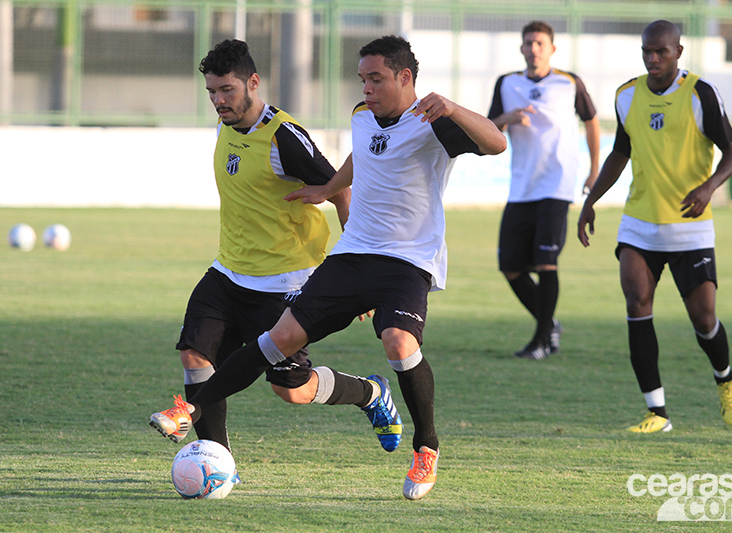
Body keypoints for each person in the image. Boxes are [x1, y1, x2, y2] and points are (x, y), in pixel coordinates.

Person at [151, 35, 506, 500]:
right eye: (362, 79)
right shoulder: (363, 117)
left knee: (399, 344)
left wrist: (455, 108)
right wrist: (330, 187)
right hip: (352, 253)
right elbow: (367, 155)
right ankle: (191, 409)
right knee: (276, 342)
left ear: (405, 77)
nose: (366, 88)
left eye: (375, 79)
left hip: (405, 260)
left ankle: (426, 448)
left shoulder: (434, 121)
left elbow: (497, 143)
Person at [150, 39, 405, 456]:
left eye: (227, 90)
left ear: (253, 82)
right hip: (228, 273)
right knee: (195, 356)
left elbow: (342, 193)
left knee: (293, 390)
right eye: (212, 92)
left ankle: (369, 393)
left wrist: (358, 271)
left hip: (284, 283)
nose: (218, 101)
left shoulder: (283, 138)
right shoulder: (225, 124)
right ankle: (216, 461)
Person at [577, 20, 732, 432]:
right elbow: (620, 153)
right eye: (647, 52)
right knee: (637, 303)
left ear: (678, 53)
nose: (653, 59)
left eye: (661, 52)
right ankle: (657, 412)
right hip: (640, 224)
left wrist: (709, 187)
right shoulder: (627, 96)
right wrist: (591, 201)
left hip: (690, 227)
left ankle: (724, 378)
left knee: (704, 319)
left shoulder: (701, 93)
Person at [488, 21, 600, 360]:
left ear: (552, 48)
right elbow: (488, 129)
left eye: (539, 43)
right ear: (521, 48)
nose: (533, 48)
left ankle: (541, 341)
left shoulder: (568, 82)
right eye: (528, 43)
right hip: (522, 186)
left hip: (557, 184)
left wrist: (595, 170)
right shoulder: (507, 83)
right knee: (510, 265)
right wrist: (507, 117)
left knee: (546, 262)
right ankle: (550, 323)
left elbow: (591, 120)